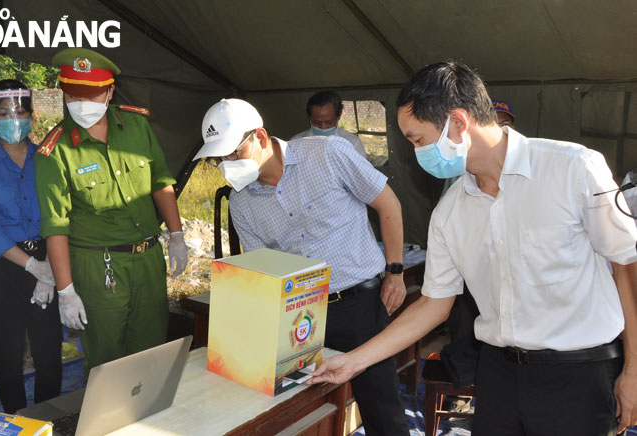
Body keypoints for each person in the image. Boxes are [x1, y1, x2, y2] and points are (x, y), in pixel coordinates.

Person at [309, 61, 637, 435]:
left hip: (579, 373)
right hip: (498, 374)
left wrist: (635, 370)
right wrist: (354, 361)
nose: (418, 153)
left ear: (459, 123)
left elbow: (626, 264)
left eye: (418, 139)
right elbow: (434, 303)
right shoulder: (450, 212)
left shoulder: (573, 169)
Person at [194, 98, 410, 436]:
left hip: (360, 305)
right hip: (301, 315)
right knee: (299, 409)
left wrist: (395, 273)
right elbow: (263, 273)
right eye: (218, 159)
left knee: (382, 409)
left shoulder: (327, 154)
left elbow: (388, 203)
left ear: (261, 136)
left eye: (233, 154)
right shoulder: (242, 202)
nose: (226, 165)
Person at [34, 48, 188, 373]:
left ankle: (147, 421)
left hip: (147, 258)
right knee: (107, 359)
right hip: (98, 265)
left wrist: (176, 234)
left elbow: (160, 181)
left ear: (110, 92)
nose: (81, 103)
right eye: (73, 94)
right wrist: (65, 291)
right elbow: (55, 226)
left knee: (151, 351)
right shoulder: (55, 150)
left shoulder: (136, 126)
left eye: (91, 95)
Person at [0, 80, 62, 413]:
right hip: (3, 270)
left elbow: (60, 217)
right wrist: (31, 265)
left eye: (20, 110)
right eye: (4, 112)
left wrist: (48, 270)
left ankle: (49, 421)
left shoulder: (48, 159)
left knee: (48, 353)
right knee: (8, 357)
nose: (13, 118)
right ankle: (18, 422)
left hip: (48, 261)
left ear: (31, 114)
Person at [291, 90, 367, 158]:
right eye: (317, 123)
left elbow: (362, 172)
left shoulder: (352, 143)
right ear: (309, 117)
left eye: (329, 122)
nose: (323, 128)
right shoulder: (295, 143)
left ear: (339, 115)